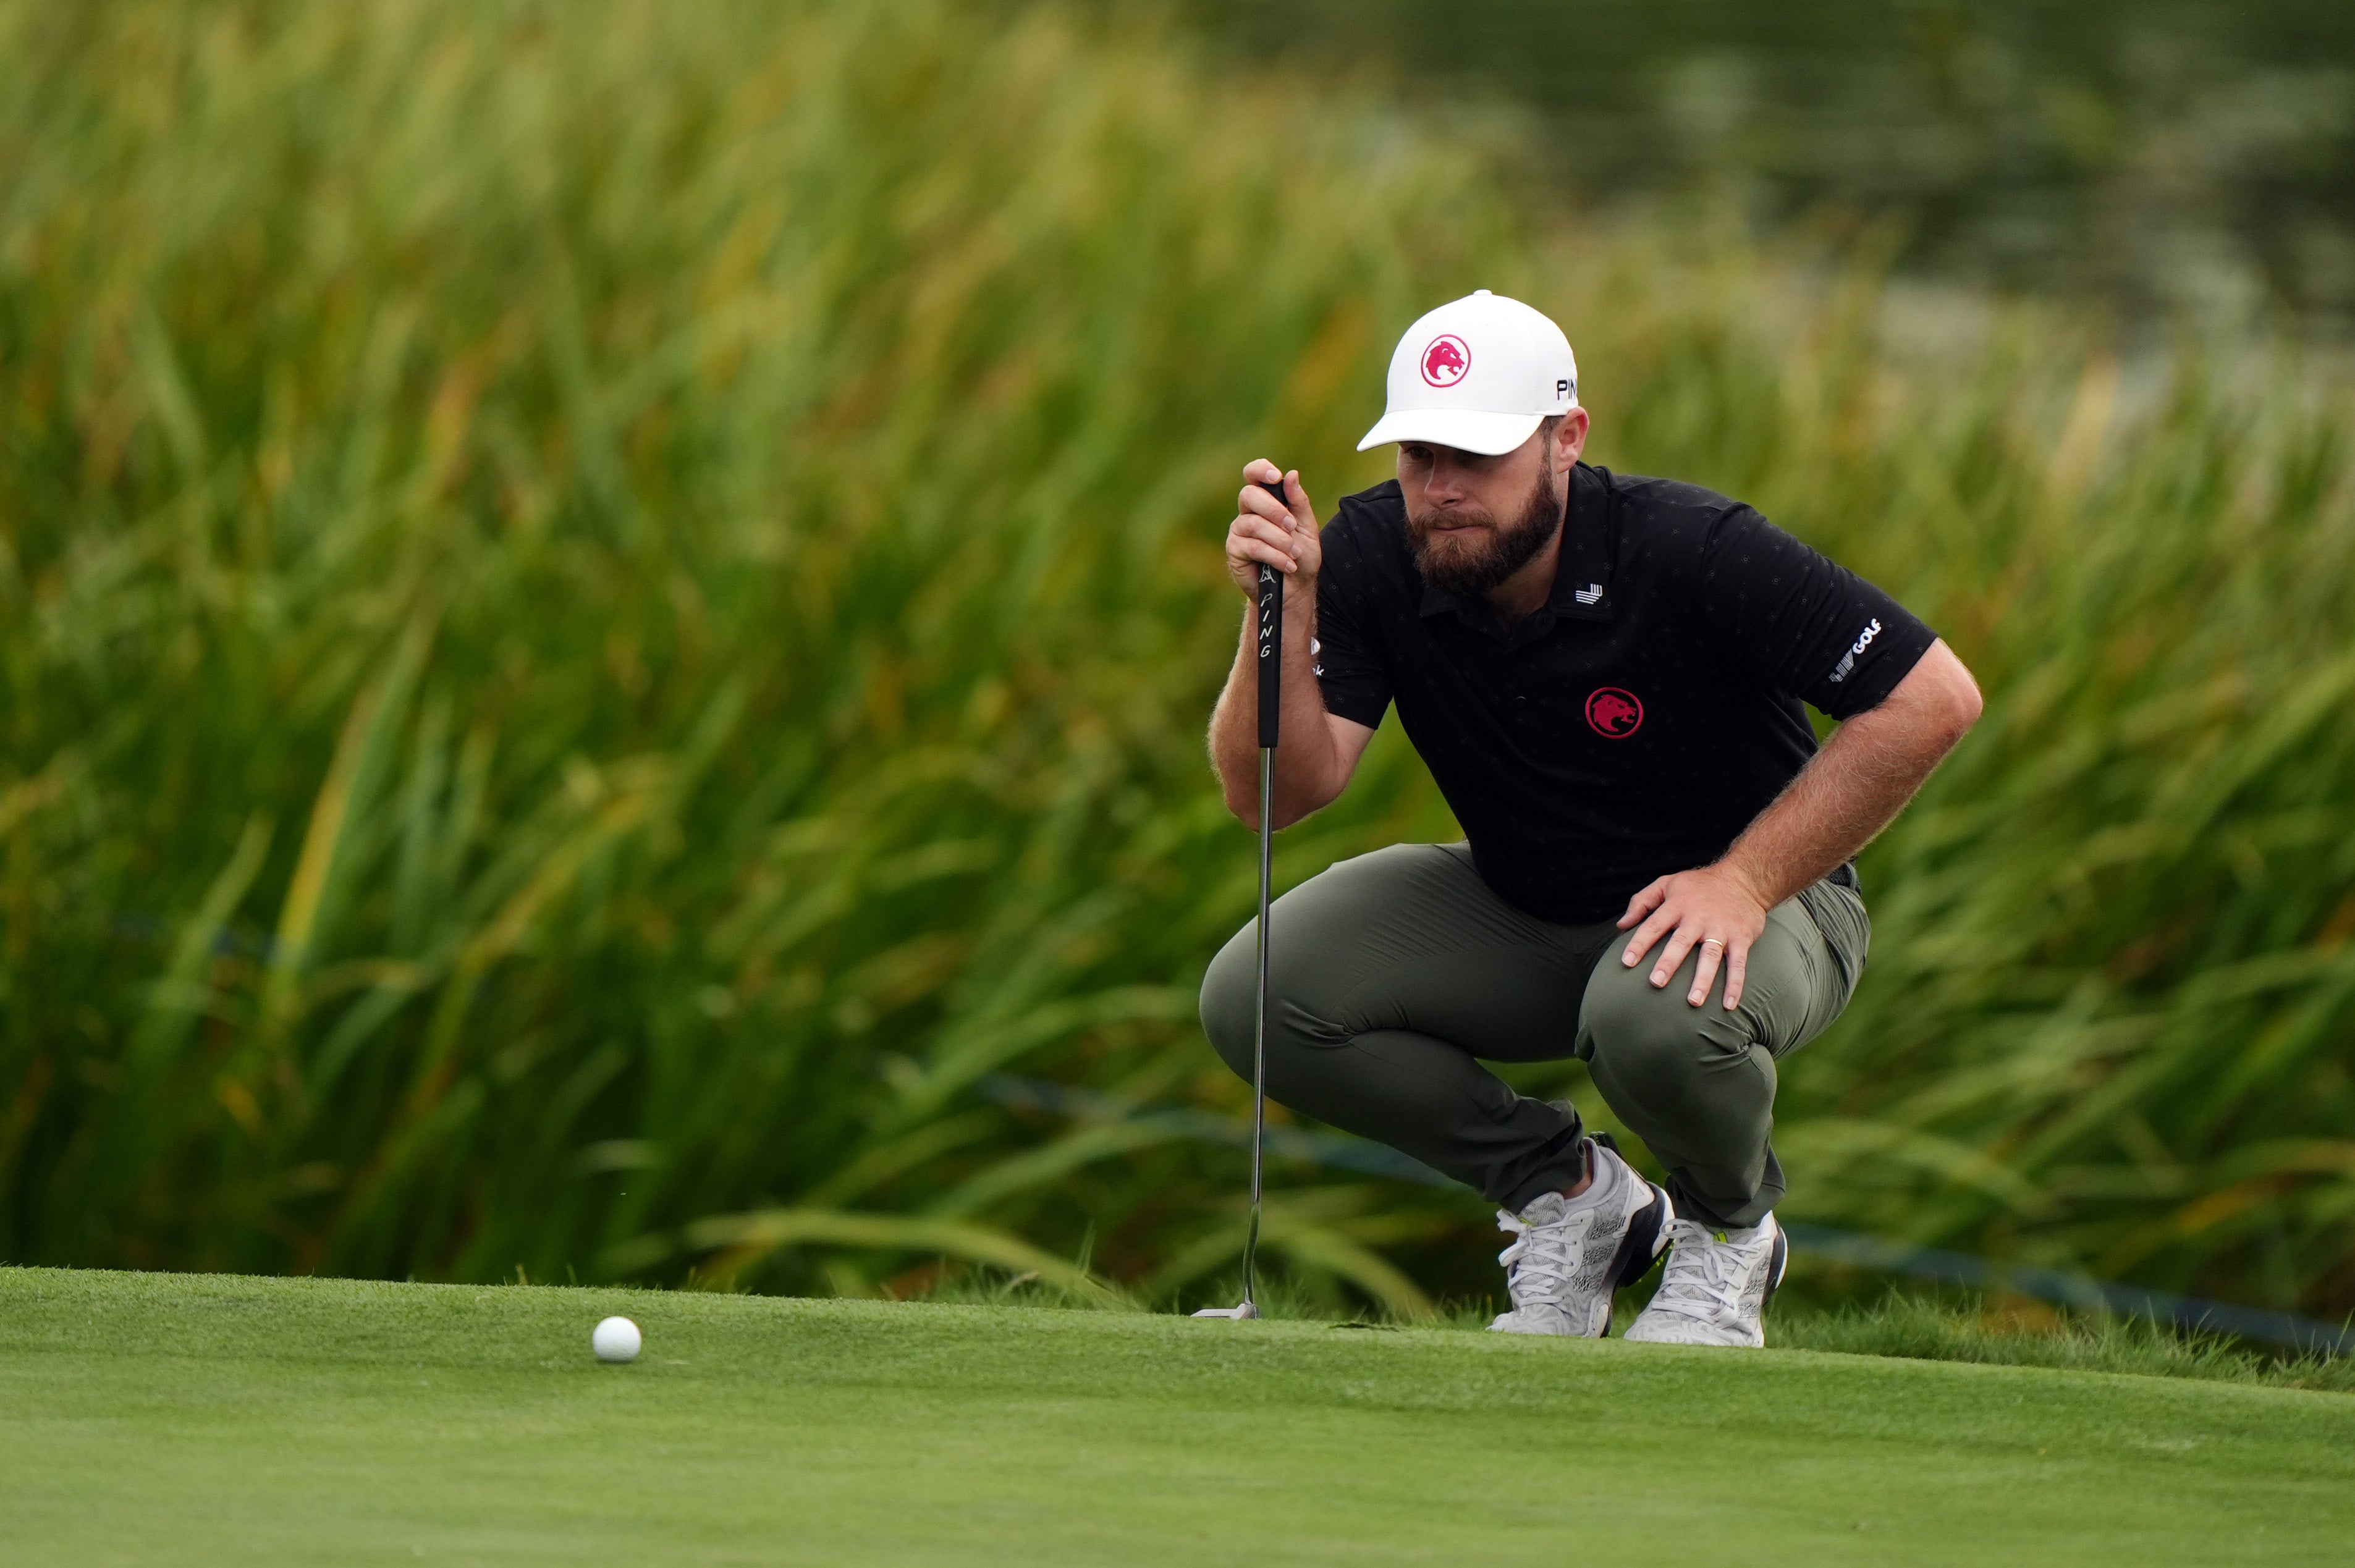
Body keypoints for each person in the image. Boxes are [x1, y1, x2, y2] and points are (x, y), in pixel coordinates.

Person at [1199, 290, 1982, 1346]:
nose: (1441, 490)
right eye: (1420, 454)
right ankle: (1574, 1198)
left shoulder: (1694, 547)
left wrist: (1743, 881)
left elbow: (1933, 699)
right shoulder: (1378, 550)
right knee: (1256, 994)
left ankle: (1727, 1230)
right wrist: (1276, 612)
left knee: (1652, 1014)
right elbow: (1275, 793)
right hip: (1531, 903)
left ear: (1567, 438)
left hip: (1767, 906)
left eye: (1477, 457)